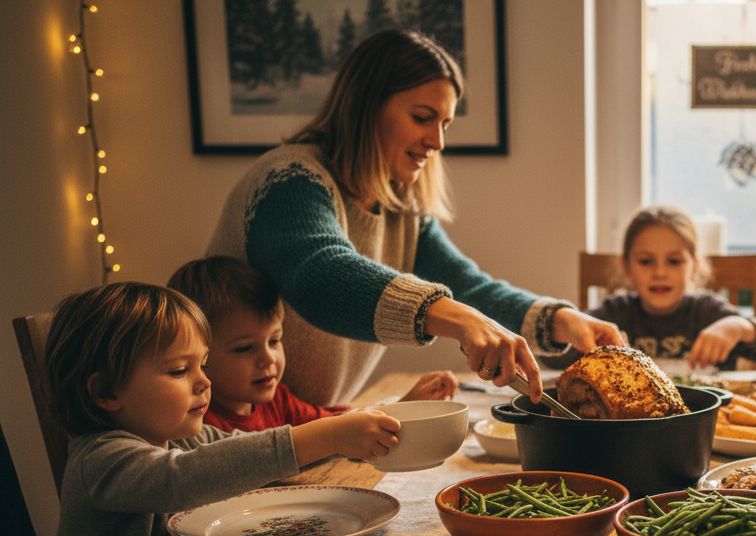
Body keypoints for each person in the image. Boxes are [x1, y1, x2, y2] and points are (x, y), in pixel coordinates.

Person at [203, 29, 620, 407]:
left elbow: (468, 286)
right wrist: (460, 318)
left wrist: (560, 320)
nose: (437, 142)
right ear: (364, 107)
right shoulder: (290, 179)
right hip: (225, 433)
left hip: (311, 426)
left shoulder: (400, 205)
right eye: (422, 117)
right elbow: (321, 273)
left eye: (445, 124)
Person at [42, 283, 400, 536]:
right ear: (106, 391)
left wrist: (337, 441)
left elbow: (252, 454)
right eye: (180, 370)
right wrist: (327, 434)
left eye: (204, 365)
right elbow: (182, 478)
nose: (204, 382)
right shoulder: (99, 459)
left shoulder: (173, 438)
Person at [168, 257, 457, 432]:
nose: (268, 358)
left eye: (274, 340)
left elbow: (337, 424)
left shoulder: (279, 401)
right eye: (244, 348)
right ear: (200, 357)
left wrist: (405, 405)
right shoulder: (198, 423)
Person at [546, 206, 756, 370]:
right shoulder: (615, 312)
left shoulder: (707, 311)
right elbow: (553, 358)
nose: (660, 272)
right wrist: (583, 341)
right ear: (626, 266)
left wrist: (741, 327)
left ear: (695, 266)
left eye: (674, 261)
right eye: (645, 261)